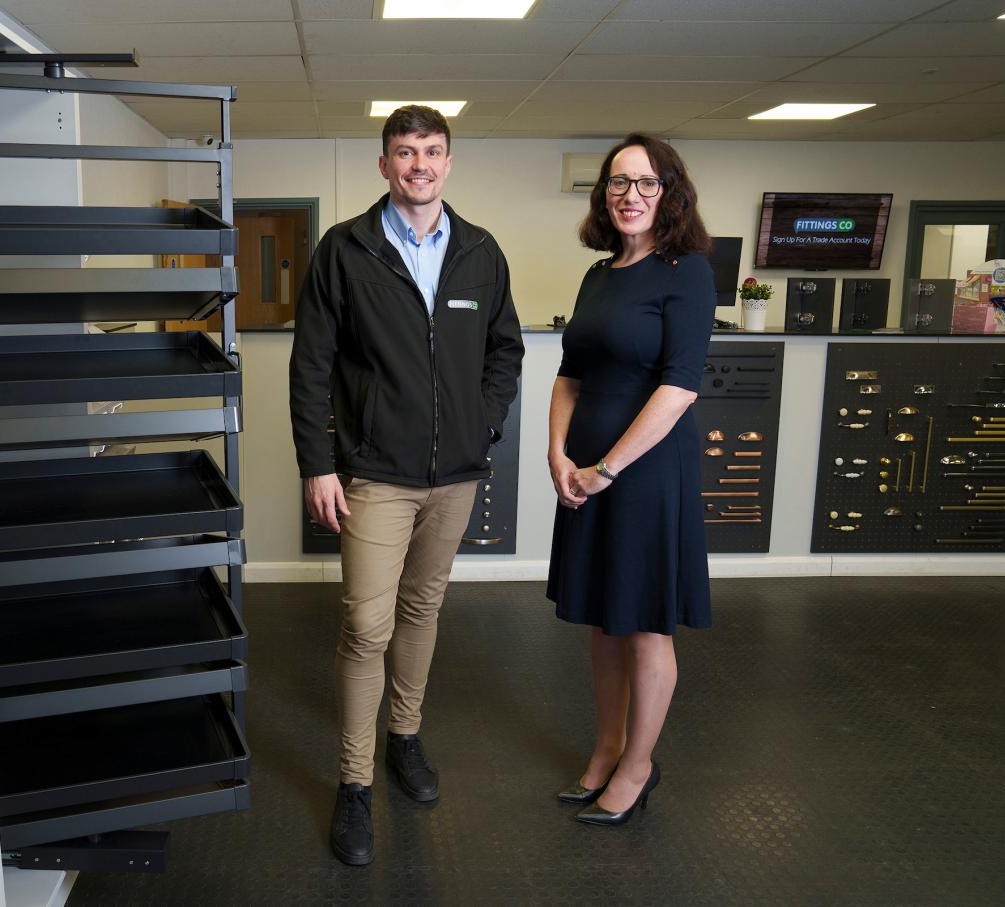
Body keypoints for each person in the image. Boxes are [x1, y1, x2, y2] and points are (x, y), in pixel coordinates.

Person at [290, 105, 524, 865]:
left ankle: (405, 737)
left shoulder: (482, 252)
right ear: (384, 164)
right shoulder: (345, 249)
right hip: (375, 475)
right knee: (365, 623)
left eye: (431, 151)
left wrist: (480, 426)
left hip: (453, 475)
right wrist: (317, 462)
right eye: (403, 152)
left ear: (448, 161)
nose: (418, 164)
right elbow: (312, 365)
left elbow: (505, 351)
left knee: (423, 606)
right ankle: (354, 783)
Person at [545, 133, 715, 826]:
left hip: (644, 475)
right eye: (618, 183)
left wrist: (606, 468)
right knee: (604, 621)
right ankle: (607, 745)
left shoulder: (688, 271)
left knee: (644, 625)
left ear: (670, 192)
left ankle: (639, 766)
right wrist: (558, 454)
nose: (631, 195)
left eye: (646, 183)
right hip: (584, 475)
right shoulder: (600, 273)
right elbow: (570, 374)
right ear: (602, 193)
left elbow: (679, 388)